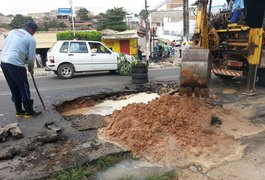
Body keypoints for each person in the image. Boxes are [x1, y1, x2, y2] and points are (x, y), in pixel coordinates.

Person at [0, 20, 41, 118]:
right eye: (34, 32)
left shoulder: (13, 31)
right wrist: (31, 68)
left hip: (4, 62)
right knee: (24, 87)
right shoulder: (30, 40)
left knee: (14, 87)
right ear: (31, 29)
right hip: (16, 65)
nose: (33, 34)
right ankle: (28, 111)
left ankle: (19, 111)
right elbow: (31, 58)